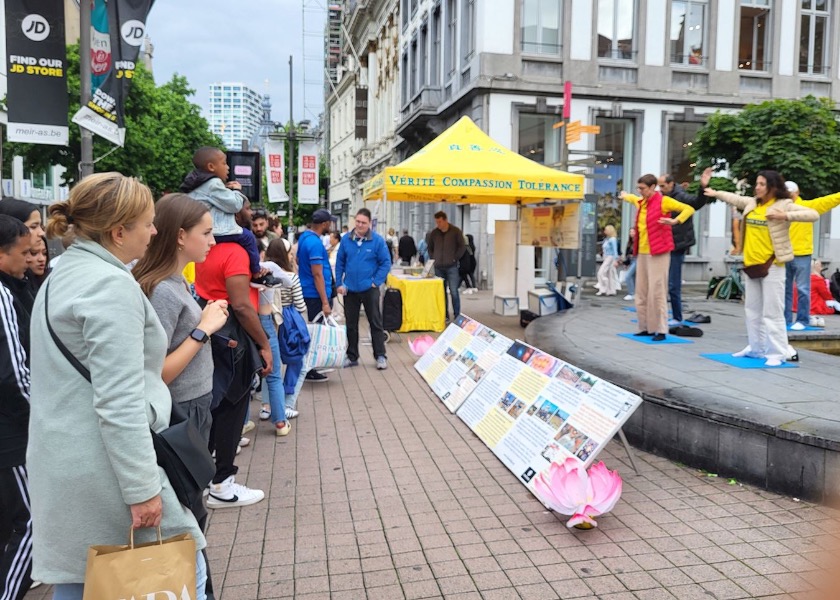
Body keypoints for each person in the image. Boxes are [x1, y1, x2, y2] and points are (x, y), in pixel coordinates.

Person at [27, 173, 208, 598]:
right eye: (148, 222)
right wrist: (142, 487)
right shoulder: (109, 285)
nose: (155, 230)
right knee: (179, 575)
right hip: (109, 467)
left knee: (85, 578)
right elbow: (120, 399)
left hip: (69, 459)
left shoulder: (65, 272)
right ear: (118, 231)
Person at [132, 193, 229, 600]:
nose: (212, 241)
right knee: (189, 509)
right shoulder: (161, 291)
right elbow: (155, 371)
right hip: (178, 411)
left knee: (193, 504)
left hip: (193, 406)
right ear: (180, 236)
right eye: (206, 233)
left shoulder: (176, 282)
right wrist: (203, 329)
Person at [194, 198, 269, 508]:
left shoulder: (205, 251)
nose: (250, 213)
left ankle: (208, 473)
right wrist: (264, 344)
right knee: (233, 406)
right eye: (246, 208)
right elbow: (241, 305)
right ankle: (223, 483)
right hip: (232, 333)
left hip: (210, 326)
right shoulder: (235, 252)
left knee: (216, 405)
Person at [705, 170, 819, 365]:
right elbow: (734, 198)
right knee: (752, 309)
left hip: (773, 265)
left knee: (772, 311)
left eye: (761, 184)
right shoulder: (752, 203)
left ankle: (777, 353)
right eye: (757, 184)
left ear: (772, 187)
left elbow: (813, 214)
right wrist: (715, 192)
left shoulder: (784, 204)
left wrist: (785, 216)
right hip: (752, 264)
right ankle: (756, 348)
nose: (757, 187)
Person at [180, 146, 279, 287]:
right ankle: (257, 272)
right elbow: (235, 205)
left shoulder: (198, 185)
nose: (227, 167)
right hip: (218, 230)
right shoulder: (213, 184)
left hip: (204, 230)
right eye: (224, 163)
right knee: (248, 237)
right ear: (211, 166)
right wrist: (237, 191)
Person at [0, 215, 34, 600]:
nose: (30, 259)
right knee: (33, 523)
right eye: (24, 253)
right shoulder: (3, 295)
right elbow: (16, 373)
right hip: (12, 433)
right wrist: (40, 419)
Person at [620, 175, 695, 341]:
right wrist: (625, 196)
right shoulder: (641, 202)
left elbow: (688, 209)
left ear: (653, 187)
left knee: (657, 290)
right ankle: (645, 327)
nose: (640, 191)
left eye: (643, 188)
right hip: (643, 251)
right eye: (638, 188)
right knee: (641, 291)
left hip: (659, 251)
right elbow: (631, 198)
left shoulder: (664, 201)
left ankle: (661, 329)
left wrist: (675, 221)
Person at [335, 208, 391, 371]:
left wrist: (376, 282)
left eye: (363, 222)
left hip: (369, 289)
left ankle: (380, 355)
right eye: (357, 221)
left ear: (369, 224)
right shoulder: (346, 240)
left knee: (375, 322)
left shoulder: (377, 241)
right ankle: (352, 356)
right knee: (351, 324)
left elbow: (386, 263)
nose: (359, 225)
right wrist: (339, 283)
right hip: (350, 289)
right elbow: (340, 263)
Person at [782, 181, 840, 330]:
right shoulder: (780, 209)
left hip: (801, 254)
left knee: (802, 288)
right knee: (786, 289)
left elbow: (829, 200)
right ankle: (785, 319)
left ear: (796, 193)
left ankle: (802, 320)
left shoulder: (807, 206)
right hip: (784, 254)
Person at [658, 168, 713, 325]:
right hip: (666, 243)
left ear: (670, 184)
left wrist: (703, 187)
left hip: (677, 243)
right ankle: (669, 314)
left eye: (663, 186)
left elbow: (696, 203)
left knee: (673, 283)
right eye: (659, 187)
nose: (660, 190)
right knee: (666, 281)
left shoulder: (680, 196)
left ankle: (677, 317)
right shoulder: (667, 195)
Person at [264, 238, 303, 420]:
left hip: (266, 319)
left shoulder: (263, 274)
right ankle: (286, 402)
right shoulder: (292, 277)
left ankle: (266, 405)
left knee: (269, 364)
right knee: (296, 359)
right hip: (288, 320)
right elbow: (300, 304)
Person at [297, 209, 336, 382]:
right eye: (330, 223)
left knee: (313, 330)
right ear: (325, 224)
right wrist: (325, 302)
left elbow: (299, 261)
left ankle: (311, 366)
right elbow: (317, 274)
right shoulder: (314, 243)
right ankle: (309, 369)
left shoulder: (305, 237)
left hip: (309, 291)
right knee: (316, 332)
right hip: (315, 295)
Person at [427, 211, 466, 322]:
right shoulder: (434, 233)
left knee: (454, 291)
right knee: (441, 292)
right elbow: (429, 247)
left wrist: (455, 258)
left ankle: (457, 315)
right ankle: (444, 315)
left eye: (439, 222)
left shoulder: (455, 231)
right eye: (436, 222)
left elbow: (462, 247)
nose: (438, 224)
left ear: (445, 220)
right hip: (438, 267)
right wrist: (433, 257)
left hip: (451, 267)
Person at [595, 224, 620, 296]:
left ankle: (603, 287)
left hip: (610, 257)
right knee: (610, 274)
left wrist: (615, 260)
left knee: (601, 272)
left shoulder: (612, 239)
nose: (604, 231)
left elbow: (615, 251)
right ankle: (611, 290)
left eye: (606, 230)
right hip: (606, 257)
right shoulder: (607, 239)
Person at [622, 227, 637, 301]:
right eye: (630, 232)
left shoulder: (638, 242)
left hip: (637, 260)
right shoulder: (630, 242)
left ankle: (631, 293)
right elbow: (627, 254)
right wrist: (626, 263)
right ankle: (634, 293)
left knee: (628, 276)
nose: (631, 233)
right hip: (631, 260)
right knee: (633, 277)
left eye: (633, 232)